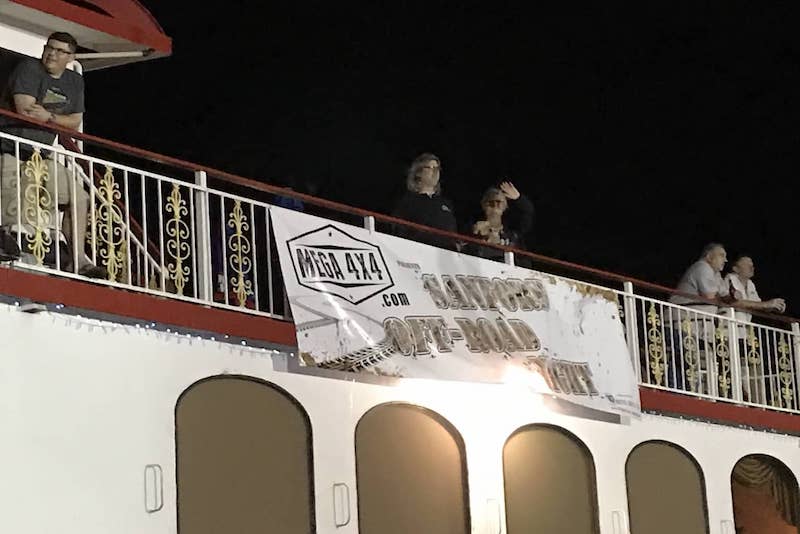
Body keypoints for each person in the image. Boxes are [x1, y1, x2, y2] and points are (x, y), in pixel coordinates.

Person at [0, 32, 103, 277]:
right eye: (50, 48)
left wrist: (50, 118)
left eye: (59, 51)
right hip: (10, 148)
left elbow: (75, 120)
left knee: (79, 197)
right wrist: (55, 119)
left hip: (41, 154)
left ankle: (77, 260)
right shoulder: (29, 68)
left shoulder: (74, 81)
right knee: (18, 200)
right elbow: (26, 109)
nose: (52, 54)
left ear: (71, 57)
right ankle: (21, 260)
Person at [391, 153, 458, 250]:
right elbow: (399, 230)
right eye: (430, 168)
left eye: (437, 168)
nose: (435, 172)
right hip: (420, 252)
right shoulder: (408, 201)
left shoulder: (446, 204)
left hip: (445, 256)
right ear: (418, 172)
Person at [470, 181, 534, 261]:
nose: (495, 205)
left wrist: (519, 198)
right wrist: (477, 236)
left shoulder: (513, 232)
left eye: (499, 202)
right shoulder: (473, 228)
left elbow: (527, 213)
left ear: (505, 206)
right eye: (490, 202)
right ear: (483, 205)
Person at [723, 255, 786, 322]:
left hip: (744, 326)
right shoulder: (730, 279)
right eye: (747, 265)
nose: (752, 267)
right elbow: (733, 302)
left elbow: (758, 305)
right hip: (729, 325)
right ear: (735, 268)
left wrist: (773, 307)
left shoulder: (750, 284)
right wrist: (766, 304)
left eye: (752, 265)